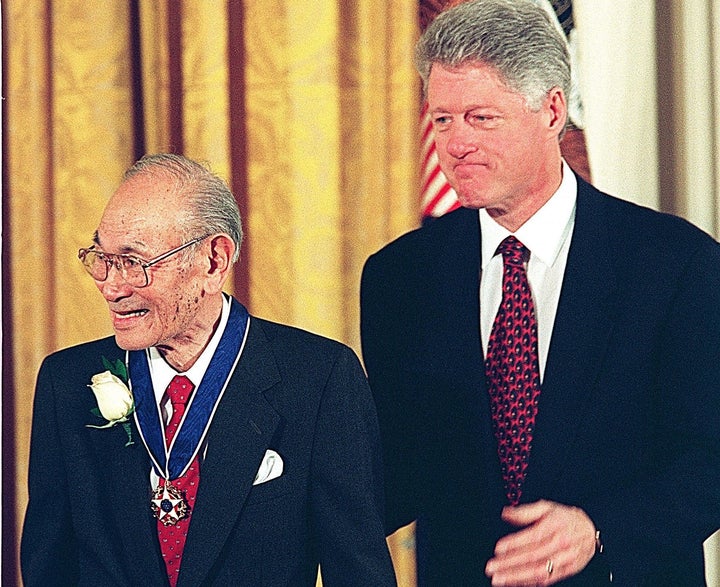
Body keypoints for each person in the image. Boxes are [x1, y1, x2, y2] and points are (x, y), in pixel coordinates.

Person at [360, 0, 720, 585]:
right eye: (442, 120)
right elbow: (399, 472)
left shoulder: (675, 264)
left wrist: (599, 527)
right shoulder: (399, 277)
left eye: (481, 118)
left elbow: (709, 457)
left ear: (553, 110)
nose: (455, 144)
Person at [21, 153, 397, 587]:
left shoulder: (319, 379)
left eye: (134, 262)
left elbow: (358, 574)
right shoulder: (66, 383)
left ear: (214, 261)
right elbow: (48, 569)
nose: (111, 286)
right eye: (102, 258)